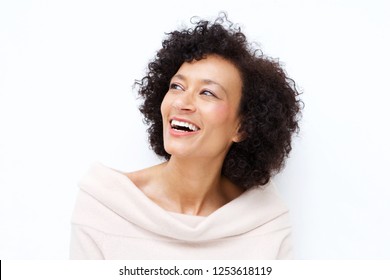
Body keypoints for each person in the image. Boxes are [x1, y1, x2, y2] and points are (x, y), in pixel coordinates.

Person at [70, 14, 302, 259]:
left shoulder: (266, 222)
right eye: (177, 86)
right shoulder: (104, 204)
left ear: (242, 128)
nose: (182, 102)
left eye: (208, 93)